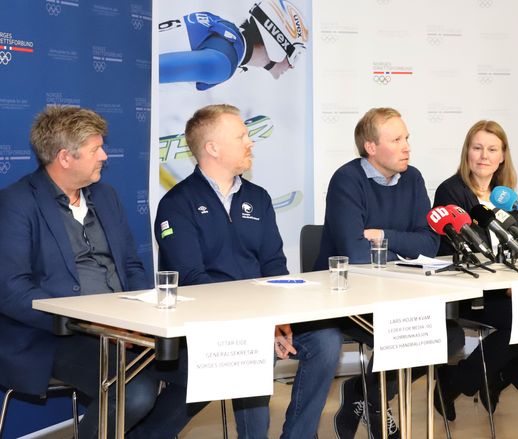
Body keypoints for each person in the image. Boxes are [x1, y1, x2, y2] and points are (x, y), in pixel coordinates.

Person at [0, 106, 192, 438]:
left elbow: (131, 266)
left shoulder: (106, 196)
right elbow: (12, 291)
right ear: (64, 158)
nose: (105, 155)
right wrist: (90, 324)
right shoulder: (17, 203)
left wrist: (145, 316)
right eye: (95, 149)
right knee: (136, 391)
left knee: (205, 370)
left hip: (127, 327)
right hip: (56, 336)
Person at [154, 104, 342, 439]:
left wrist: (279, 316)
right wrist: (261, 320)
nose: (250, 142)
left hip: (262, 316)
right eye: (241, 135)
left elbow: (274, 265)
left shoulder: (257, 198)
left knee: (327, 340)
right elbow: (192, 280)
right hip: (210, 322)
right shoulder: (176, 203)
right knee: (255, 348)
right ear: (212, 148)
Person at [315, 107, 463, 439]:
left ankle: (365, 394)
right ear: (371, 147)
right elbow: (354, 254)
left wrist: (382, 235)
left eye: (406, 137)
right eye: (396, 139)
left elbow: (430, 242)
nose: (407, 146)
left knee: (450, 335)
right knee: (406, 335)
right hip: (347, 297)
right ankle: (375, 401)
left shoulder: (413, 177)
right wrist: (403, 249)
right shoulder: (347, 180)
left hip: (399, 291)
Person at [432, 120, 518, 419]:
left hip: (504, 286)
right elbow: (463, 249)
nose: (483, 156)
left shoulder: (505, 196)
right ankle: (456, 383)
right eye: (477, 148)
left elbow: (517, 247)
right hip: (468, 289)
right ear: (466, 152)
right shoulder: (451, 191)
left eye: (492, 149)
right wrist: (503, 285)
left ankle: (495, 378)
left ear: (503, 156)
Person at [158, 0, 308, 90]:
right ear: (279, 42)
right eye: (295, 56)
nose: (292, 66)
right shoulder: (222, 63)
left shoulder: (222, 27)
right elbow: (149, 71)